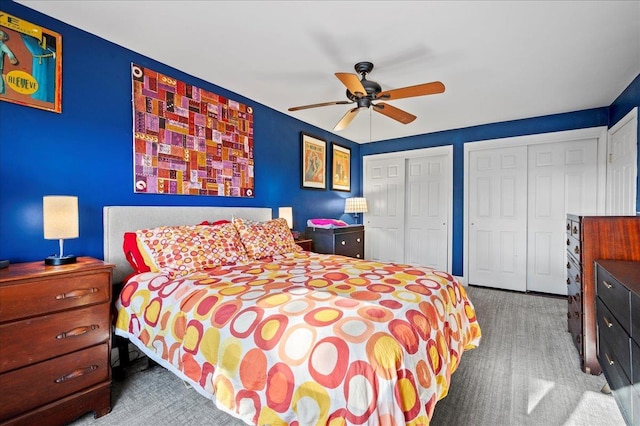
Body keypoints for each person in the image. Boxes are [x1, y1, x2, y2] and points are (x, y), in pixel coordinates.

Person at [0, 29, 19, 94]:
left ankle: (1, 91)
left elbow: (8, 52)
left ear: (3, 37)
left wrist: (11, 58)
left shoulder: (2, 45)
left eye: (0, 35)